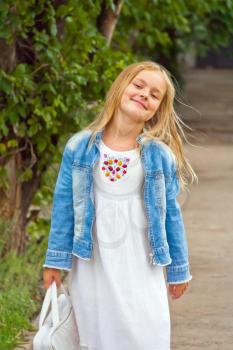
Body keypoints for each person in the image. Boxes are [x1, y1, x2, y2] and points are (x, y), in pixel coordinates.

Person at [43, 60, 197, 350]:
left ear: (158, 109)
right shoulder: (80, 147)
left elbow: (171, 215)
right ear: (120, 88)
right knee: (98, 334)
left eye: (154, 95)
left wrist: (179, 267)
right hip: (93, 263)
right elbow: (64, 205)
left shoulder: (158, 155)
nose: (144, 95)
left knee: (146, 330)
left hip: (142, 264)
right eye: (138, 85)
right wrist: (55, 259)